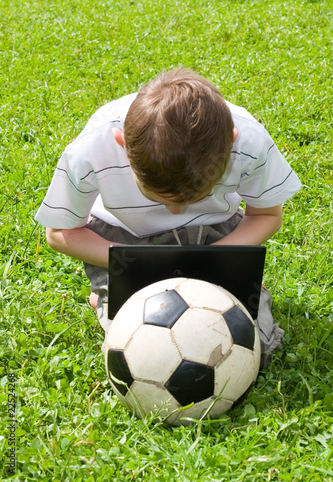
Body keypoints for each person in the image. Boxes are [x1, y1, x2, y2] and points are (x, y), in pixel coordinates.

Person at [35, 67, 301, 367]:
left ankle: (246, 288)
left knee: (259, 346)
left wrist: (215, 260)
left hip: (214, 230)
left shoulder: (249, 141)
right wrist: (136, 261)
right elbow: (59, 232)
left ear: (231, 143)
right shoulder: (92, 148)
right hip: (121, 237)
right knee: (146, 354)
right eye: (155, 195)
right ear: (121, 143)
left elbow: (266, 215)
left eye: (195, 196)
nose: (175, 211)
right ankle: (109, 293)